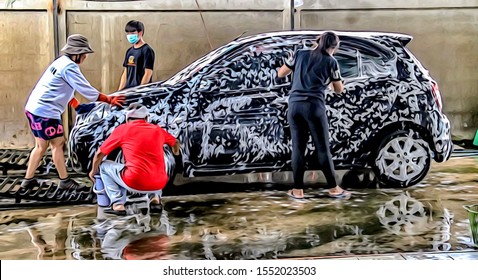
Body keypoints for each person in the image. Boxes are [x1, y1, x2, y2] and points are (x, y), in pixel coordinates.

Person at [22, 34, 125, 191]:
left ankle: (28, 180)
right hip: (46, 111)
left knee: (40, 146)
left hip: (33, 108)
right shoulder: (70, 67)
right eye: (84, 54)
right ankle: (64, 181)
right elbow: (84, 88)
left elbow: (62, 88)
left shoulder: (61, 62)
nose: (85, 57)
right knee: (58, 144)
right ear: (76, 53)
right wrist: (109, 100)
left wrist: (77, 106)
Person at [278, 31, 351, 199]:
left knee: (298, 148)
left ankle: (298, 191)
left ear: (318, 41)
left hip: (295, 106)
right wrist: (336, 84)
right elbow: (339, 90)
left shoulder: (300, 54)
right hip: (314, 107)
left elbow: (281, 73)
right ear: (334, 47)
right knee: (322, 149)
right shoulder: (331, 62)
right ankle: (334, 188)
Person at [88, 103, 181, 215]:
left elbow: (99, 154)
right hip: (160, 182)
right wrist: (175, 153)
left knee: (103, 166)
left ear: (127, 119)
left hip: (134, 181)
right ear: (147, 118)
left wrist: (93, 171)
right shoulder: (157, 130)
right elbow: (175, 142)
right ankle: (155, 200)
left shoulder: (123, 129)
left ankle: (118, 205)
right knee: (156, 165)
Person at [118, 20, 155, 90]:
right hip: (128, 91)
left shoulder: (147, 50)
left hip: (140, 93)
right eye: (128, 33)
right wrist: (119, 92)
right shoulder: (129, 51)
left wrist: (139, 91)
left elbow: (148, 73)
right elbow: (125, 73)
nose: (129, 35)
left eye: (132, 33)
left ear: (140, 33)